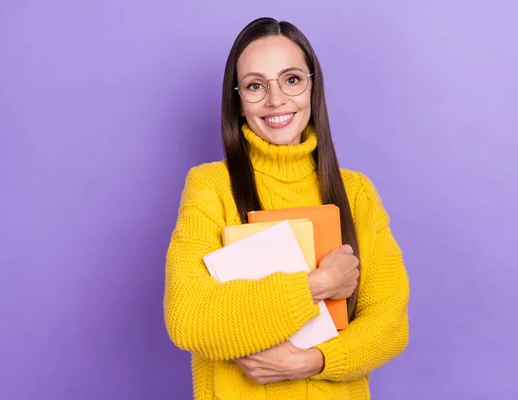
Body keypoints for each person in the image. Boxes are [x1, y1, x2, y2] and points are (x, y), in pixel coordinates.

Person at [163, 17, 410, 400]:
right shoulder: (211, 186)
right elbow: (189, 320)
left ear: (313, 87)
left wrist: (313, 361)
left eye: (292, 79)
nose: (276, 100)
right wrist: (318, 285)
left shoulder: (356, 192)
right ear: (239, 102)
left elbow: (390, 322)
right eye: (256, 85)